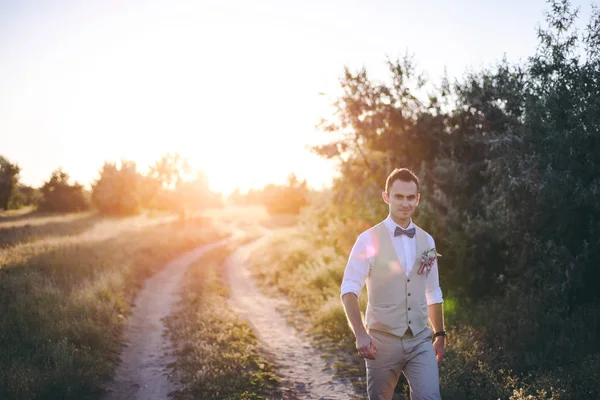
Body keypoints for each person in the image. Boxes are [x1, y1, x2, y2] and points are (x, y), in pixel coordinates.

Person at [340, 167, 446, 400]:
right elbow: (349, 289)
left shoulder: (427, 240)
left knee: (430, 397)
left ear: (417, 199)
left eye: (410, 197)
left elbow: (433, 291)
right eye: (399, 196)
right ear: (386, 197)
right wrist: (360, 334)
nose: (405, 203)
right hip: (381, 341)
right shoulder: (367, 239)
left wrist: (439, 334)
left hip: (420, 340)